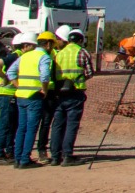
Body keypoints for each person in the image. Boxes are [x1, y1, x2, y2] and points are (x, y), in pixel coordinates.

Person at [7, 32, 50, 169]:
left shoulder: (23, 57)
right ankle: (25, 159)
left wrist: (18, 85)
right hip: (34, 96)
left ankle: (18, 158)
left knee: (21, 128)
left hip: (21, 96)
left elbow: (10, 73)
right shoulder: (43, 57)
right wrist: (44, 89)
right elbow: (45, 76)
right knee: (31, 129)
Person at [47, 26, 89, 167]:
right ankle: (67, 155)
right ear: (80, 40)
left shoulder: (59, 54)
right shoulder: (82, 52)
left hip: (59, 93)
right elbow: (89, 72)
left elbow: (52, 72)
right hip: (75, 93)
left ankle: (54, 156)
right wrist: (78, 79)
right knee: (71, 125)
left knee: (57, 125)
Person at [33, 31, 60, 159]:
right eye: (52, 44)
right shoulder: (46, 56)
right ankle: (41, 149)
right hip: (45, 92)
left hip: (33, 92)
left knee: (38, 122)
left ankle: (35, 150)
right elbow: (45, 75)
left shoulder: (29, 55)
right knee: (44, 122)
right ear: (48, 44)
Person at [0, 36, 17, 164]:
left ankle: (8, 152)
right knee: (5, 125)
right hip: (7, 94)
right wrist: (6, 78)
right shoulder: (15, 56)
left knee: (11, 125)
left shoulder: (15, 56)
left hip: (10, 94)